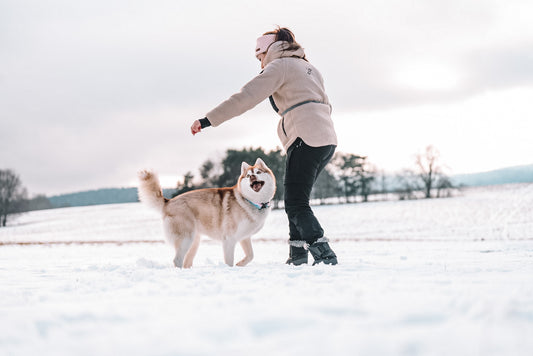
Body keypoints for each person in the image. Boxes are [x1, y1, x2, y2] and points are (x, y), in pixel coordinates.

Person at [190, 27, 338, 265]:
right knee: (296, 199)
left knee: (296, 203)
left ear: (268, 50)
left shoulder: (280, 66)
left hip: (304, 137)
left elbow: (245, 97)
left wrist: (208, 120)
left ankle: (325, 254)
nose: (260, 63)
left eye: (260, 57)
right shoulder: (310, 68)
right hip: (326, 140)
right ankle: (298, 255)